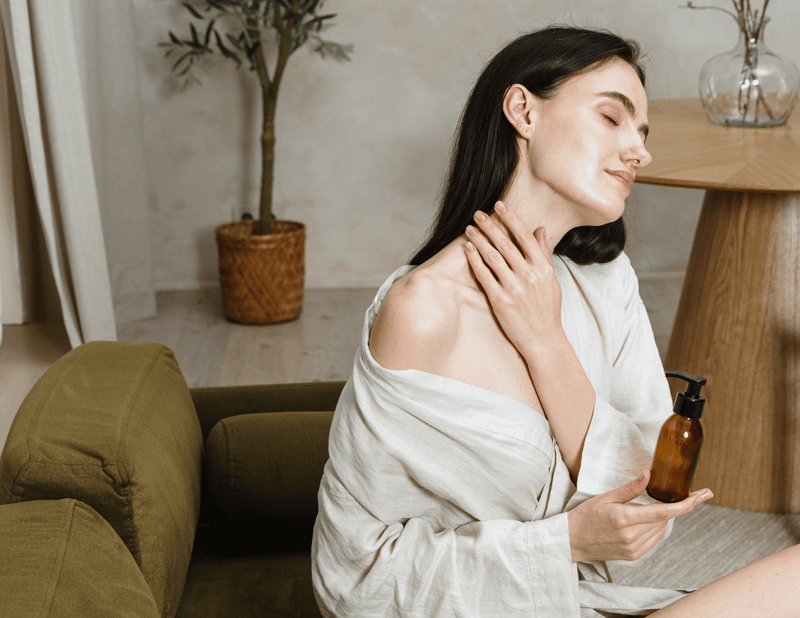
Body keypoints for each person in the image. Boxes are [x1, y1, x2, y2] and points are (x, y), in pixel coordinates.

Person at [311, 25, 800, 617]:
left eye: (642, 133)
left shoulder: (607, 283)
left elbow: (650, 502)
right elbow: (354, 579)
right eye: (611, 118)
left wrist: (546, 342)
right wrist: (562, 542)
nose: (639, 150)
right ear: (523, 111)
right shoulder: (423, 310)